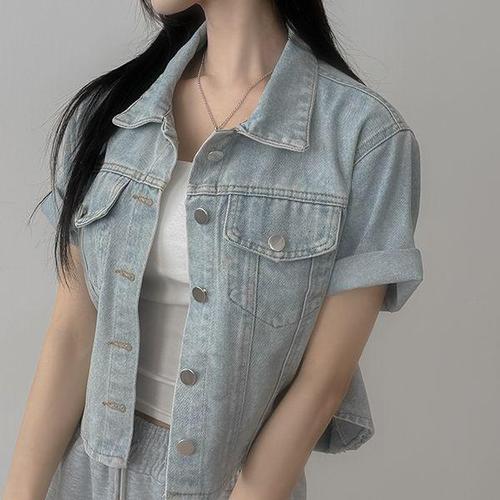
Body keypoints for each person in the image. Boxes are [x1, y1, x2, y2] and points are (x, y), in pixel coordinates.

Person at [3, 1, 424, 499]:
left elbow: (323, 382)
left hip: (229, 485)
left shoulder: (364, 136)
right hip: (85, 474)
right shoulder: (111, 113)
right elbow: (71, 335)